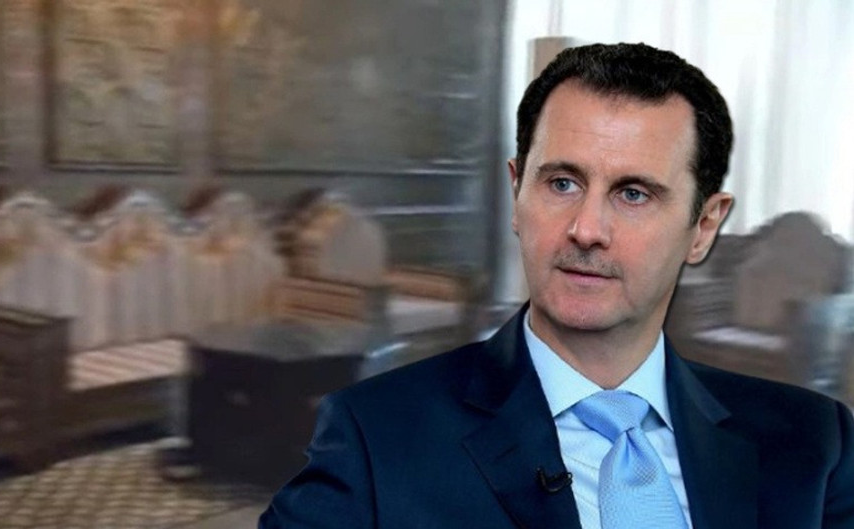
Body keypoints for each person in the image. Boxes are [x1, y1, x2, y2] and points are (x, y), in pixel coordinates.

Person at [259, 43, 854, 529]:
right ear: (517, 193)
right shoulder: (375, 435)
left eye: (633, 194)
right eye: (562, 183)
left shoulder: (816, 442)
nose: (586, 230)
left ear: (703, 227)